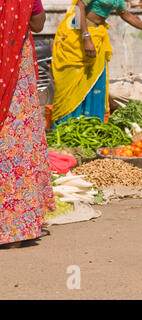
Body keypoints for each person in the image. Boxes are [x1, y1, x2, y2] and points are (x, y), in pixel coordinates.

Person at [51, 0, 142, 124]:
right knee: (72, 86)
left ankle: (90, 126)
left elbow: (126, 15)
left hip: (97, 36)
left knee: (95, 83)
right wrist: (86, 37)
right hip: (77, 36)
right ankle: (65, 126)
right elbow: (79, 6)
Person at [0, 0, 55, 249]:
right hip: (15, 68)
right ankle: (17, 228)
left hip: (14, 68)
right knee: (18, 146)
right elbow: (37, 23)